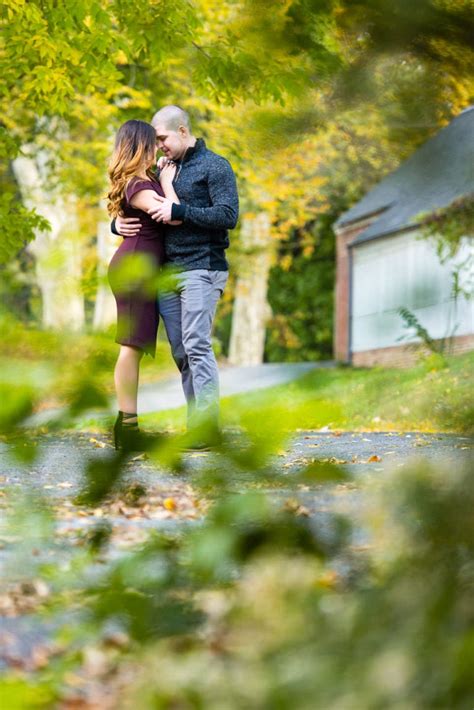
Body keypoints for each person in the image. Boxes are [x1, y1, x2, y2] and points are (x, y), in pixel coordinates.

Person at [113, 106, 239, 448]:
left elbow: (228, 215)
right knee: (182, 351)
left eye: (163, 139)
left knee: (197, 344)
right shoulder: (162, 169)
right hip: (167, 273)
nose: (160, 147)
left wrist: (177, 208)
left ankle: (207, 428)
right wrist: (116, 225)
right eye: (155, 141)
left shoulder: (216, 166)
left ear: (182, 131)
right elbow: (133, 199)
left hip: (201, 266)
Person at [107, 119, 181, 451]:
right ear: (142, 147)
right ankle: (128, 427)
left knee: (132, 346)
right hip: (135, 269)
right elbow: (173, 215)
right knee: (131, 346)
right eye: (153, 144)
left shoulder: (139, 182)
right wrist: (167, 181)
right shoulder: (139, 186)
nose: (158, 150)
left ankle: (126, 425)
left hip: (137, 265)